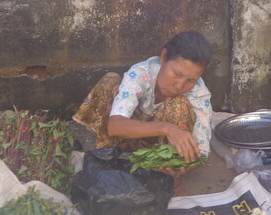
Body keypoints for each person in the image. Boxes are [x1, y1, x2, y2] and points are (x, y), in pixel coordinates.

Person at [74, 31, 213, 188]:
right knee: (110, 82)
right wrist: (168, 129)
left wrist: (182, 167)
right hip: (125, 140)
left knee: (179, 104)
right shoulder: (141, 73)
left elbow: (201, 153)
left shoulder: (199, 93)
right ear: (164, 56)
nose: (180, 85)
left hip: (158, 153)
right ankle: (109, 160)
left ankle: (168, 179)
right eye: (177, 74)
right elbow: (114, 126)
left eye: (191, 80)